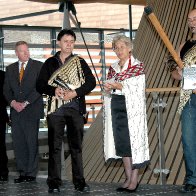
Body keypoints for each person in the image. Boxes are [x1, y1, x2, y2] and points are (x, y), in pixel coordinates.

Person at [36, 29, 96, 193]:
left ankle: (80, 182)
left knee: (76, 147)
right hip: (56, 111)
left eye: (71, 42)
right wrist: (53, 90)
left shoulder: (80, 62)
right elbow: (40, 85)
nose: (69, 44)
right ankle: (54, 183)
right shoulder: (49, 63)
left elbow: (91, 82)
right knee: (54, 147)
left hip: (75, 109)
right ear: (59, 42)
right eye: (66, 41)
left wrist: (75, 92)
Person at [103, 35, 150, 193]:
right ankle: (128, 177)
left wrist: (119, 85)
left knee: (133, 144)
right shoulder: (113, 67)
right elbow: (109, 87)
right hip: (117, 105)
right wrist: (109, 88)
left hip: (132, 108)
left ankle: (135, 179)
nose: (118, 50)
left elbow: (138, 89)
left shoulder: (137, 66)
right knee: (122, 143)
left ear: (130, 48)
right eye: (116, 47)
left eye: (122, 47)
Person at [3, 41, 44, 183]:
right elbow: (6, 90)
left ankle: (31, 173)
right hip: (16, 112)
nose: (26, 53)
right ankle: (22, 172)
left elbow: (40, 88)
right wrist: (13, 103)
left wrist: (25, 103)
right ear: (16, 53)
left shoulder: (39, 66)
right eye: (22, 51)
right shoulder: (10, 69)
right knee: (19, 143)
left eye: (27, 50)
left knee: (31, 142)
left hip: (32, 110)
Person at [167, 8, 196, 193]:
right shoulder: (183, 45)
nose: (191, 22)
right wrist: (179, 72)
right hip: (188, 98)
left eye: (195, 18)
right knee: (188, 140)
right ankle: (192, 179)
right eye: (189, 19)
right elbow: (174, 72)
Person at [0, 70, 9, 182]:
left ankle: (3, 172)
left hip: (0, 115)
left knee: (1, 145)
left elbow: (7, 95)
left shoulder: (3, 75)